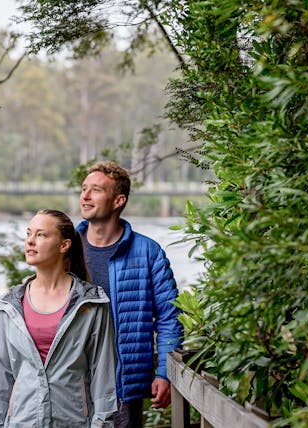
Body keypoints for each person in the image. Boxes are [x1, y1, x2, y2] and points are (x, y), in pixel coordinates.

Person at [0, 209, 117, 427]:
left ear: (64, 245)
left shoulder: (91, 303)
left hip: (74, 422)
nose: (30, 242)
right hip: (21, 422)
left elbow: (103, 377)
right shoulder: (10, 305)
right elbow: (0, 378)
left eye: (41, 235)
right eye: (28, 234)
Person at [77, 161, 183, 428]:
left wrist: (164, 373)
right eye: (84, 189)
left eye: (96, 190)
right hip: (71, 383)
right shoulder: (67, 249)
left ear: (118, 201)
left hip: (124, 388)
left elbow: (170, 318)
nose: (85, 196)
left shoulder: (149, 253)